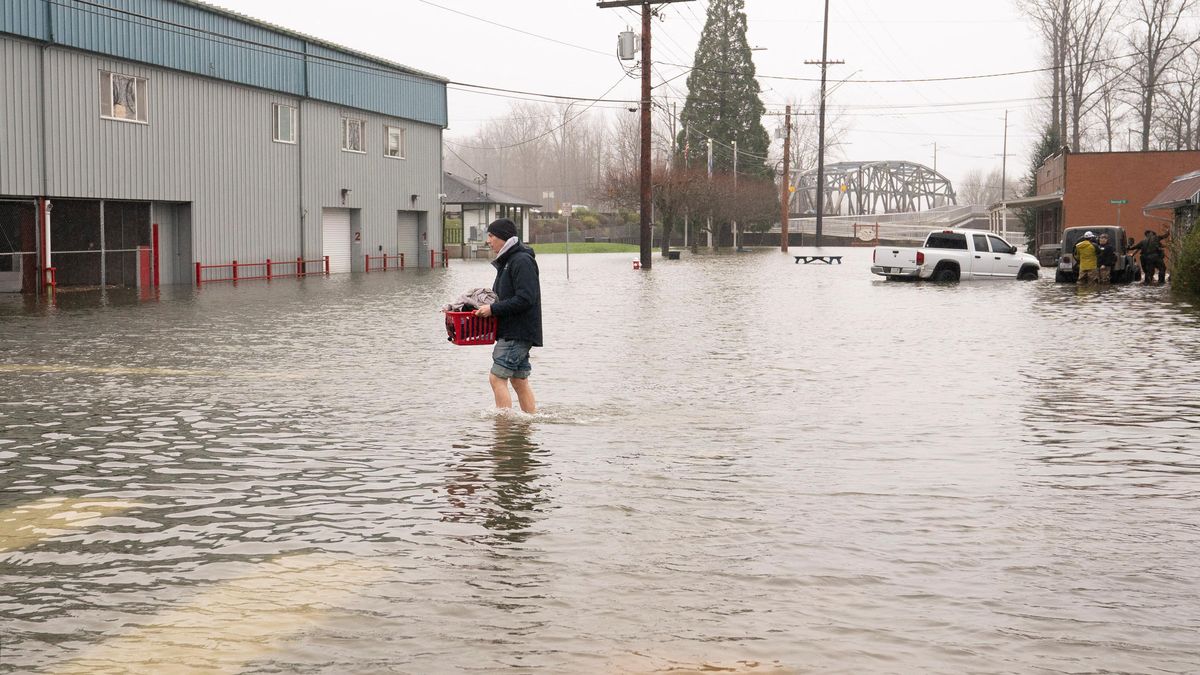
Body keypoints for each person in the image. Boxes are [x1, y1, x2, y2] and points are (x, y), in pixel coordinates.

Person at [474, 218, 542, 414]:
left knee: (496, 378)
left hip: (517, 333)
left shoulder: (521, 261)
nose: (489, 241)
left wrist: (493, 309)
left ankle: (504, 429)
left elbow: (526, 298)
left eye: (491, 236)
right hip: (516, 331)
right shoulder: (509, 261)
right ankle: (529, 423)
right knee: (519, 381)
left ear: (503, 237)